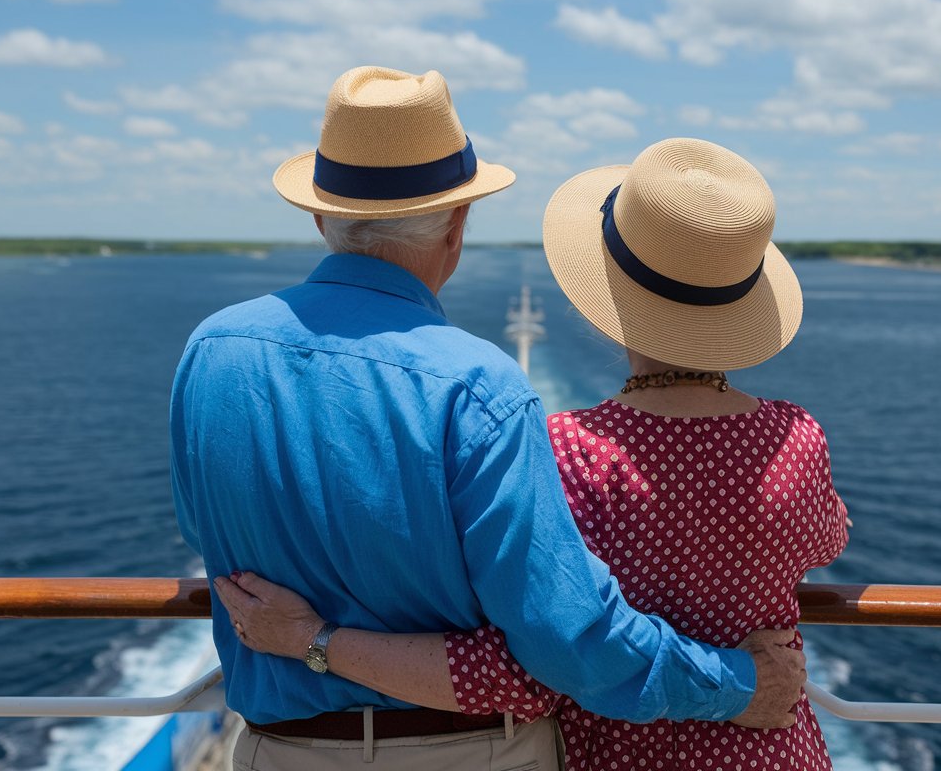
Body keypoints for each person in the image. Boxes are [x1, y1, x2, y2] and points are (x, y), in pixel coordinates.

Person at [170, 70, 806, 771]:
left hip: (276, 752)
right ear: (457, 225)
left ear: (322, 217)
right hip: (468, 752)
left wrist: (313, 634)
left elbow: (209, 534)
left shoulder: (212, 351)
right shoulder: (478, 388)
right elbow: (566, 638)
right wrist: (740, 685)